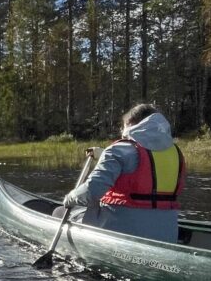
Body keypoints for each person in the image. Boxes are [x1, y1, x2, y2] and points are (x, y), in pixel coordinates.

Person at [61, 103, 186, 243]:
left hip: (121, 230)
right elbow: (144, 165)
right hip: (167, 234)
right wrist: (103, 154)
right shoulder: (175, 153)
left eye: (123, 125)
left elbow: (91, 192)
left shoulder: (119, 150)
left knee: (59, 212)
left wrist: (70, 197)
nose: (122, 130)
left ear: (131, 123)